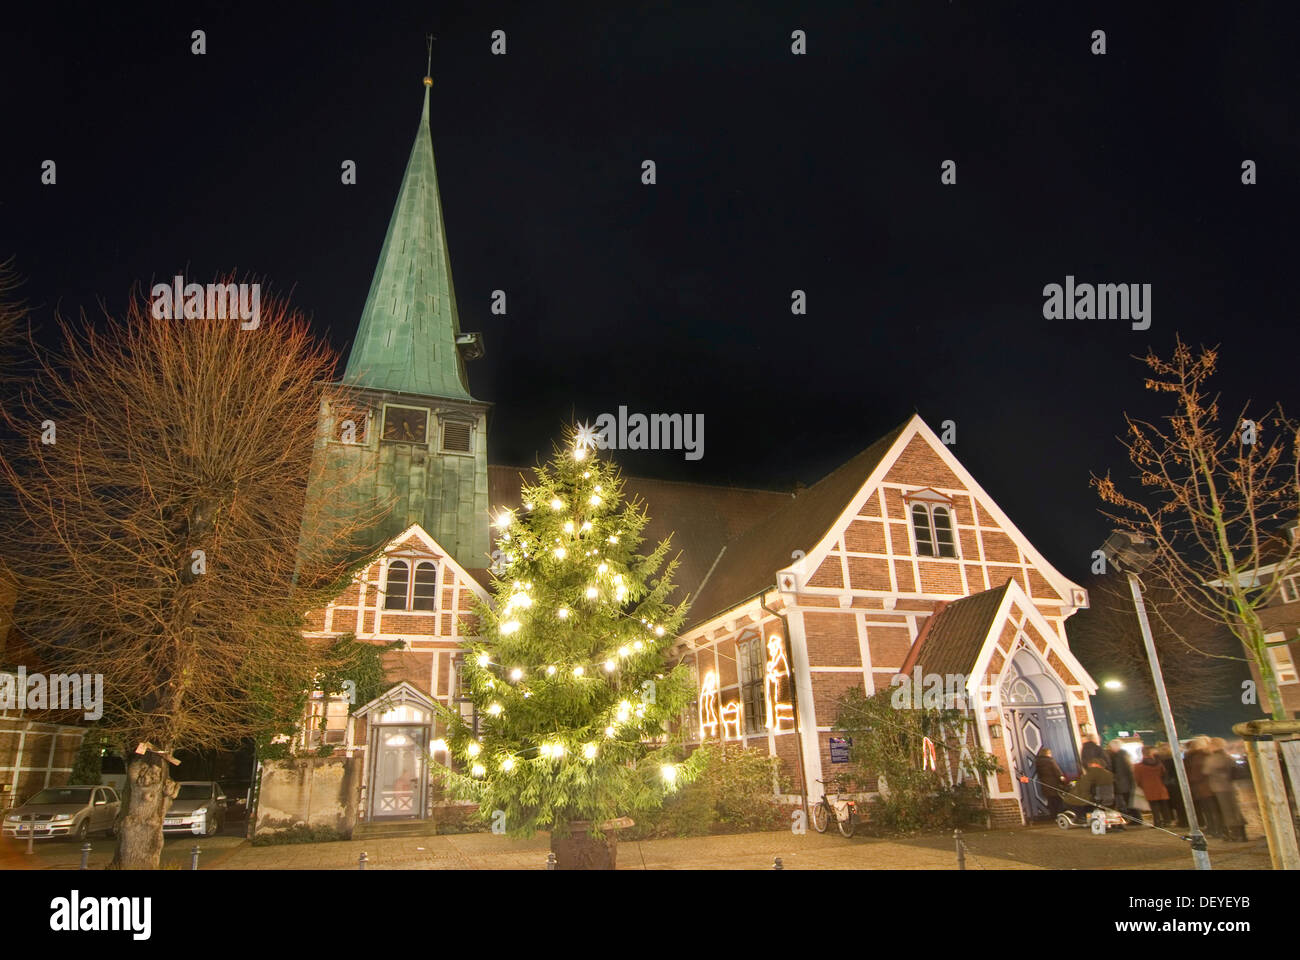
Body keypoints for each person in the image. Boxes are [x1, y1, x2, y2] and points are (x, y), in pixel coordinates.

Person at [1207, 737, 1246, 841]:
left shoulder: (1214, 758)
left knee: (1228, 811)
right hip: (1229, 785)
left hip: (1220, 787)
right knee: (1234, 809)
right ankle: (1242, 834)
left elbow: (1206, 770)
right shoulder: (1227, 756)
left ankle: (1235, 834)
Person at [1185, 737, 1223, 838]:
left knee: (1209, 809)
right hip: (1206, 787)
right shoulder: (1202, 756)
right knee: (1211, 809)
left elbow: (1196, 773)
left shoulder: (1195, 756)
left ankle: (1214, 828)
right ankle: (1215, 829)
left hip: (1203, 787)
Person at [1132, 746, 1171, 827]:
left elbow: (1137, 779)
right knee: (1164, 805)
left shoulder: (1138, 766)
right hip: (1160, 786)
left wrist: (1142, 786)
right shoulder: (1159, 764)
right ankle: (1167, 821)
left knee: (1154, 806)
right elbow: (1164, 775)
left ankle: (1157, 822)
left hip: (1148, 788)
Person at [1157, 742, 1188, 827]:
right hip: (1176, 783)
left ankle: (1179, 820)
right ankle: (1183, 820)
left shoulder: (1160, 760)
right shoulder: (1175, 759)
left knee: (1174, 803)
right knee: (1180, 803)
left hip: (1168, 783)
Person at [1034, 747, 1069, 818]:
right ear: (1048, 753)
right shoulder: (1050, 761)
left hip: (1045, 784)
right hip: (1054, 784)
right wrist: (1062, 778)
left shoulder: (1038, 762)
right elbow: (1057, 771)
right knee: (1058, 800)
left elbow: (1039, 774)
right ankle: (1060, 816)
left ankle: (1053, 816)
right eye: (1050, 753)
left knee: (1050, 801)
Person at [1108, 739, 1135, 818]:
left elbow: (1126, 769)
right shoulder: (1121, 755)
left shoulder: (1120, 755)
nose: (1110, 748)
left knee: (1129, 801)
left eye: (1111, 746)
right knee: (1128, 801)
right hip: (1124, 782)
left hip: (1124, 782)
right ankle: (1134, 818)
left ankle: (1135, 819)